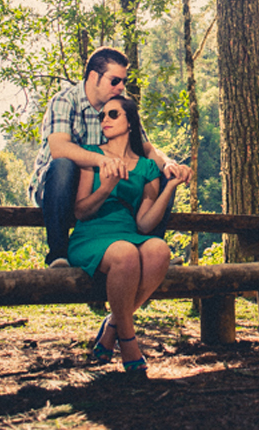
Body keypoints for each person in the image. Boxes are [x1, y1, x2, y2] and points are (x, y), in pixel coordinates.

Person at [28, 46, 190, 267]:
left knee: (162, 173)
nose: (121, 87)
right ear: (94, 77)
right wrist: (102, 160)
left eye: (123, 81)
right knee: (64, 164)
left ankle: (150, 250)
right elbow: (59, 149)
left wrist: (169, 164)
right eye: (115, 81)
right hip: (59, 188)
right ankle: (58, 254)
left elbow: (146, 149)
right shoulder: (65, 101)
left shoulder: (119, 106)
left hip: (104, 189)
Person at [68, 95, 188, 373]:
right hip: (92, 235)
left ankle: (112, 326)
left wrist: (170, 188)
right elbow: (80, 212)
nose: (104, 120)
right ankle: (129, 342)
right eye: (102, 116)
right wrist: (105, 188)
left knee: (159, 250)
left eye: (112, 115)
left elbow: (145, 225)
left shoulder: (147, 168)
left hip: (127, 232)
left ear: (130, 122)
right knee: (126, 254)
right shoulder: (91, 156)